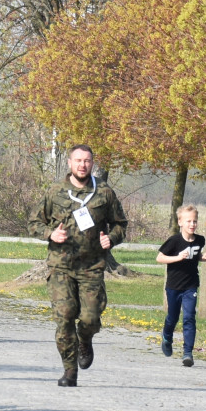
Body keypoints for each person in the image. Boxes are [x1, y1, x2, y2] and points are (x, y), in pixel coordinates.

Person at [28, 144, 128, 387]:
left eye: (87, 161)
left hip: (92, 267)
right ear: (70, 164)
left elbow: (120, 224)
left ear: (92, 164)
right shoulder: (55, 191)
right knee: (64, 317)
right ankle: (69, 370)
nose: (82, 164)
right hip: (61, 265)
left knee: (90, 318)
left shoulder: (104, 193)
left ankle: (85, 339)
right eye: (78, 160)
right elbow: (33, 223)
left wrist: (111, 238)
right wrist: (50, 234)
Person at [156, 205, 206, 367]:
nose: (192, 224)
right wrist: (177, 258)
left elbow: (194, 255)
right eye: (188, 221)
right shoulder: (174, 241)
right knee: (172, 317)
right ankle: (167, 336)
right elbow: (160, 258)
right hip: (174, 286)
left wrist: (203, 257)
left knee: (189, 318)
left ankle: (188, 353)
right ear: (180, 222)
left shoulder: (200, 240)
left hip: (191, 285)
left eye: (194, 221)